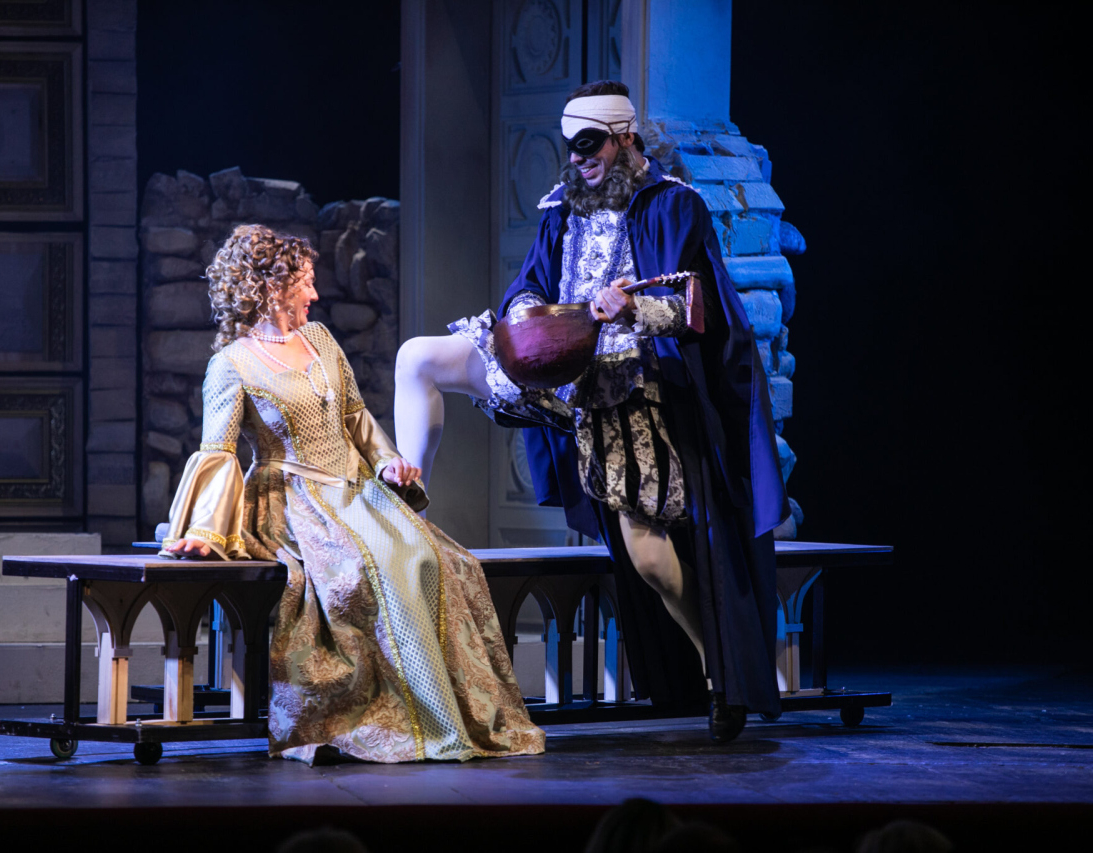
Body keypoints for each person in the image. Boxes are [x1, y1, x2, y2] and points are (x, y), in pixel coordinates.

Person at [394, 80, 787, 743]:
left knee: (652, 561)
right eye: (570, 147)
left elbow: (696, 310)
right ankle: (410, 503)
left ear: (624, 138)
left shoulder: (673, 206)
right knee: (418, 358)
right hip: (556, 368)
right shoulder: (560, 207)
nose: (577, 159)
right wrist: (528, 315)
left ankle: (719, 671)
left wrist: (632, 307)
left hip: (624, 385)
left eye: (588, 145)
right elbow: (530, 284)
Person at [160, 224, 545, 764]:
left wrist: (388, 463)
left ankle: (457, 712)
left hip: (358, 490)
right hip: (293, 499)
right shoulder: (231, 365)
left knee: (441, 560)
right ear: (271, 287)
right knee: (370, 568)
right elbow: (218, 452)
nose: (315, 294)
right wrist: (206, 530)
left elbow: (356, 417)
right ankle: (403, 717)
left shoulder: (320, 340)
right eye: (305, 282)